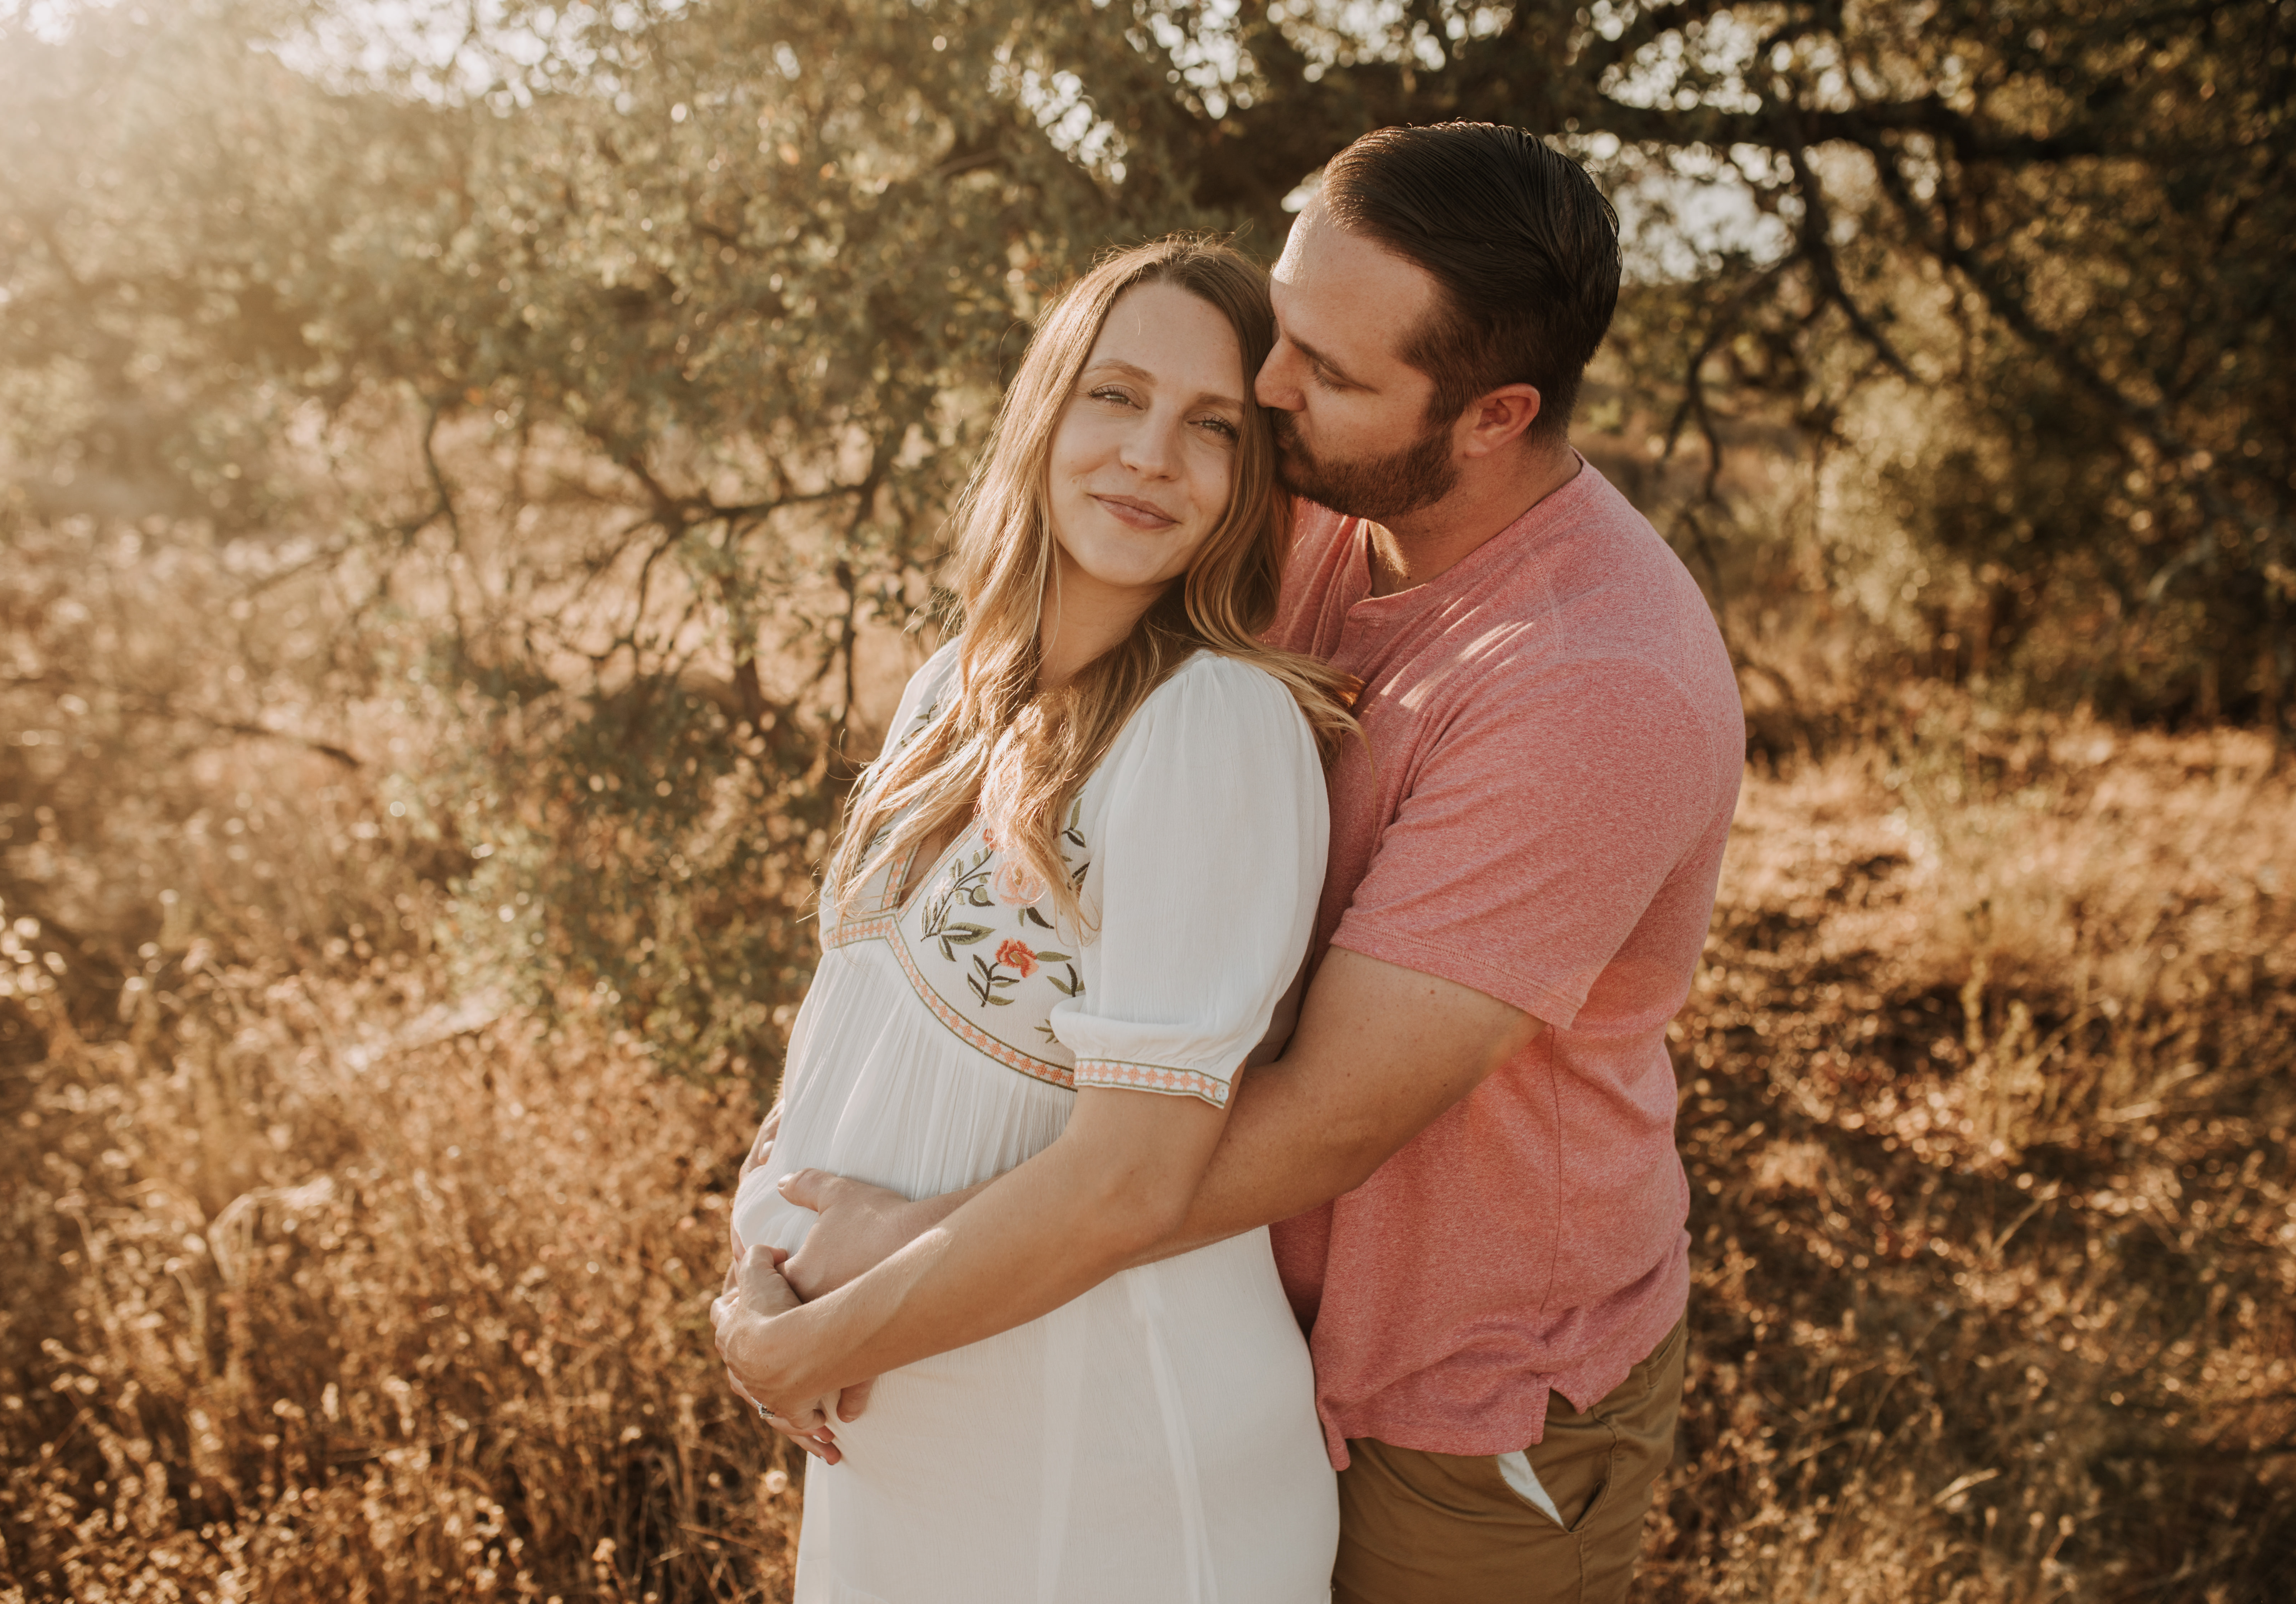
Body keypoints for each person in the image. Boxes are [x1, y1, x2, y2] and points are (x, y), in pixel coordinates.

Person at [762, 122, 1748, 1603]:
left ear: (1493, 416)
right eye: (1284, 332)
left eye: (1329, 376)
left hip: (1446, 1395)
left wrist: (881, 1275)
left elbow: (1321, 1123)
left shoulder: (1592, 684)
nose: (1265, 392)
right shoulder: (1317, 491)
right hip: (1206, 1307)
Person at [711, 236, 1359, 1604]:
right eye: (1115, 397)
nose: (1151, 457)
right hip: (915, 1435)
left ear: (1254, 481)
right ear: (1045, 408)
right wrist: (762, 1247)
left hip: (1101, 1461)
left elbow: (1135, 1180)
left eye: (1213, 428)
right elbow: (859, 1021)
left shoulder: (1215, 725)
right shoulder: (954, 683)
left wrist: (805, 1347)